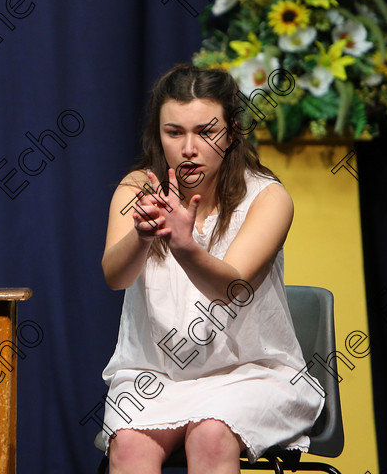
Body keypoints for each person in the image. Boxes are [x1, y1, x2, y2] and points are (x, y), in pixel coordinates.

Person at [100, 64, 324, 474]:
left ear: (233, 132)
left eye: (206, 132)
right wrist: (142, 236)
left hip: (251, 374)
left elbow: (233, 288)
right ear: (159, 134)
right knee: (130, 446)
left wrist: (185, 247)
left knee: (210, 433)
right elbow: (115, 277)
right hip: (155, 375)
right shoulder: (137, 187)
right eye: (174, 133)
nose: (189, 148)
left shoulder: (268, 198)